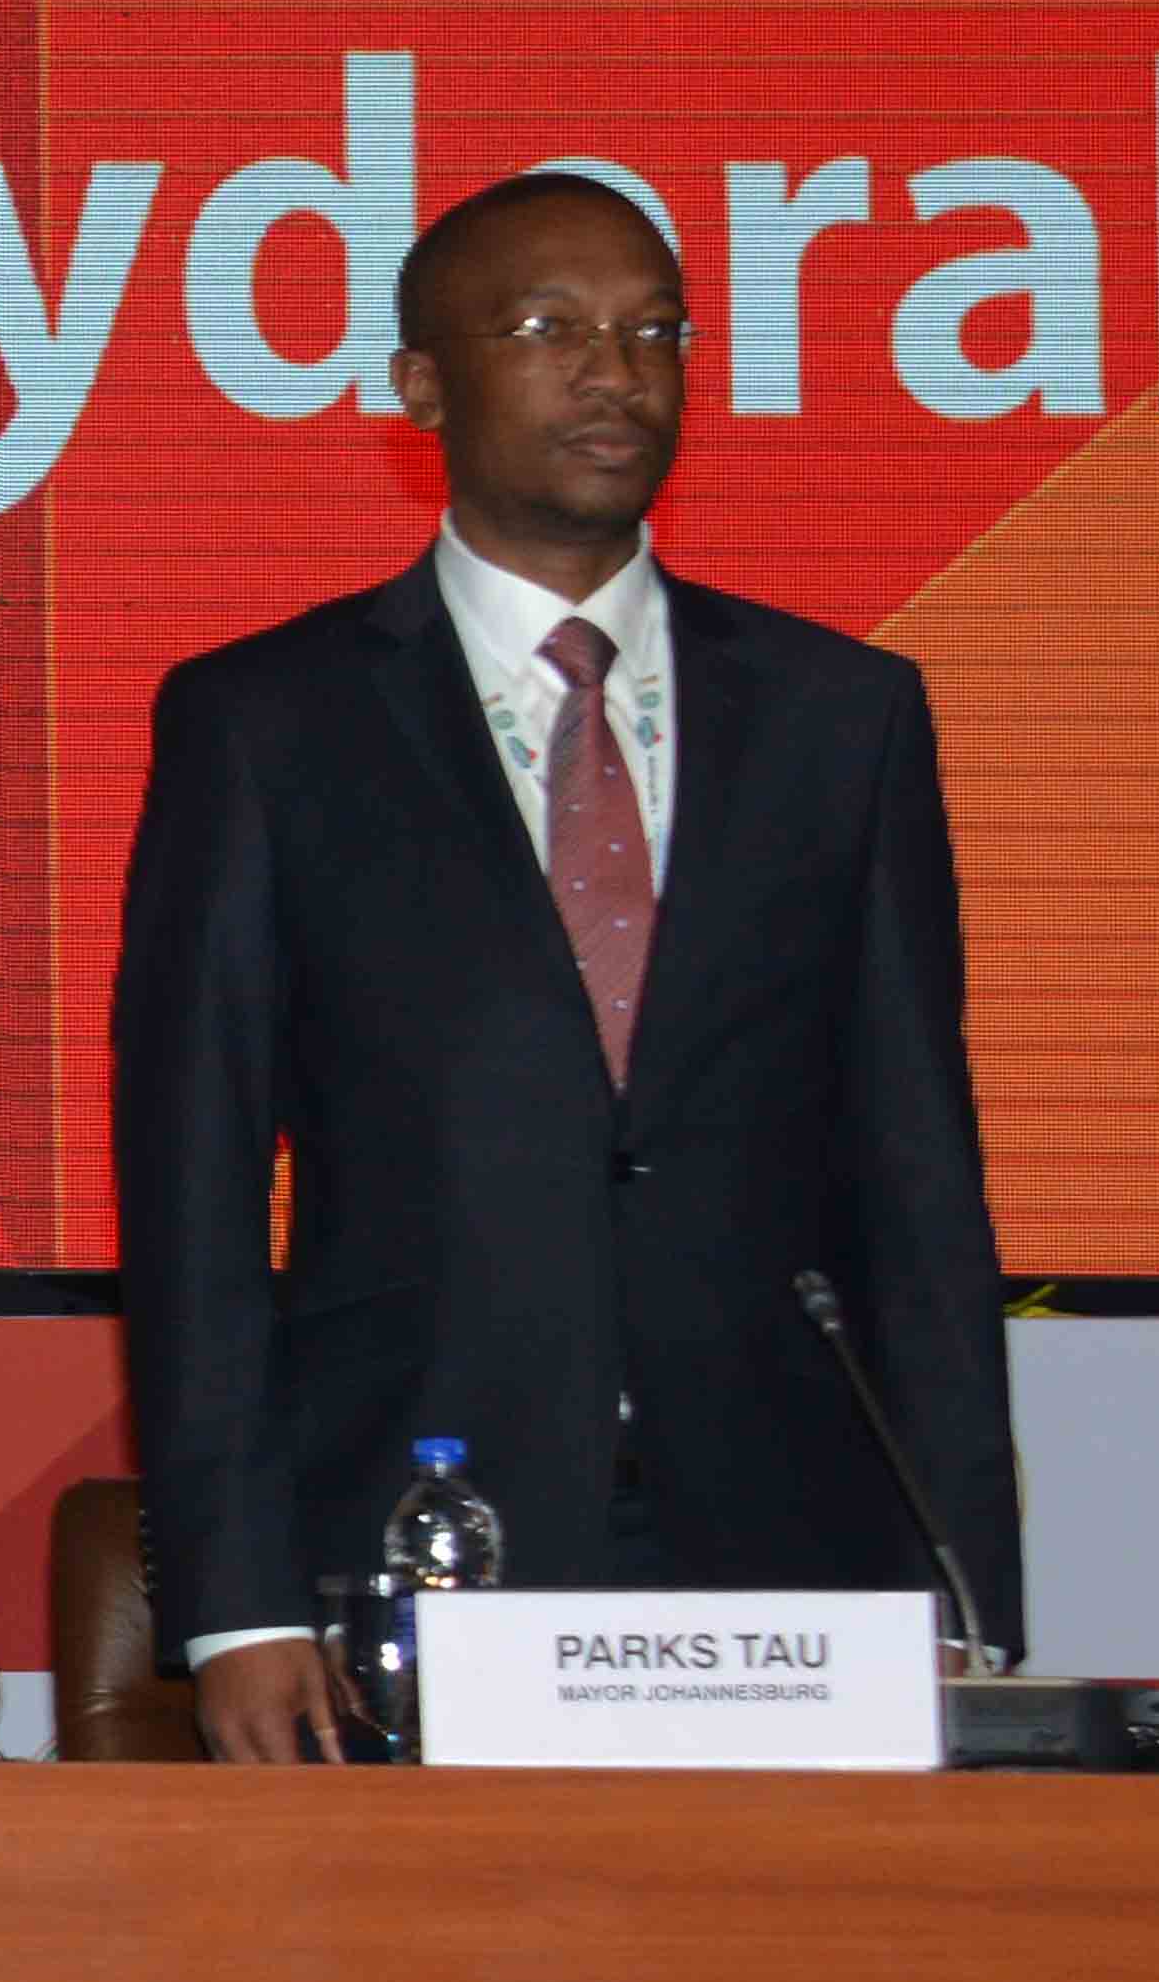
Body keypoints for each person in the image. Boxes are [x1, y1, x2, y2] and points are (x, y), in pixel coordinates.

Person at [112, 168, 1019, 1759]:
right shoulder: (266, 722)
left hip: (789, 1547)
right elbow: (192, 1186)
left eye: (654, 330)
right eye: (550, 329)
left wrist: (965, 1597)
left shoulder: (841, 718)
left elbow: (920, 1186)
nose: (618, 371)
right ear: (419, 387)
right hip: (413, 1521)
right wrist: (242, 1603)